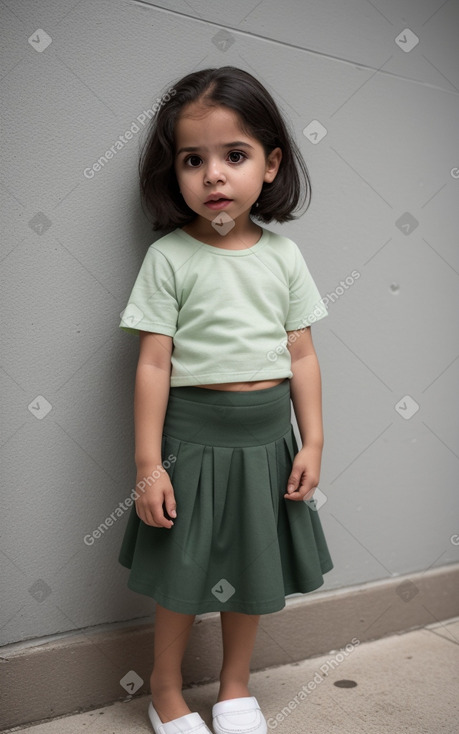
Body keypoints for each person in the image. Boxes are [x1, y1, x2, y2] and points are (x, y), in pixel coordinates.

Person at [118, 66, 334, 734]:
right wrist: (147, 463)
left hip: (269, 440)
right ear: (173, 172)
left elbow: (301, 353)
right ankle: (164, 689)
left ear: (270, 165)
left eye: (233, 156)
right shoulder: (169, 258)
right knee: (182, 576)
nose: (213, 175)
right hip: (191, 441)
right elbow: (153, 362)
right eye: (193, 160)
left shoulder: (283, 256)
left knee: (252, 567)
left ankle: (235, 686)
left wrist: (315, 439)